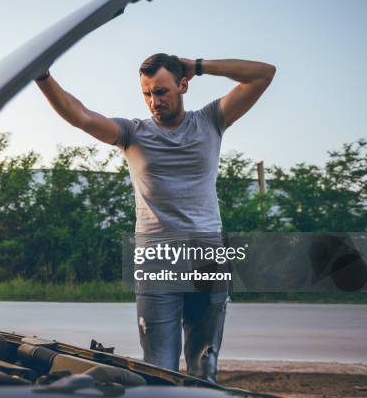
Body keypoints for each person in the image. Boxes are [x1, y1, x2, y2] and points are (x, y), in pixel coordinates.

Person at [35, 54, 275, 382]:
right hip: (156, 259)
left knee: (204, 370)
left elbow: (263, 75)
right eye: (146, 94)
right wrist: (43, 77)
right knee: (159, 369)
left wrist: (201, 65)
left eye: (161, 92)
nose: (153, 101)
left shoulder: (210, 120)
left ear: (183, 85)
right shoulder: (132, 133)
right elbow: (80, 115)